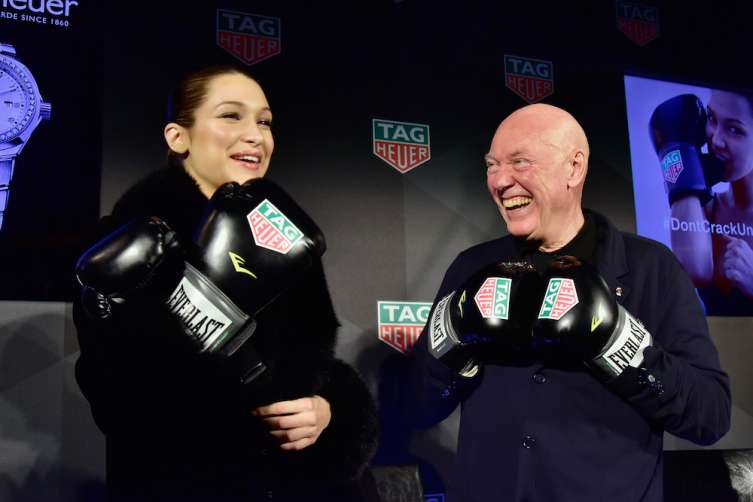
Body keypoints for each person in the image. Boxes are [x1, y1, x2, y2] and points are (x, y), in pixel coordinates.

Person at [73, 64, 378, 502]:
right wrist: (200, 308)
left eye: (265, 121)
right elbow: (120, 407)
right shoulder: (120, 245)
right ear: (179, 137)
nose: (256, 135)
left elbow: (316, 367)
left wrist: (330, 411)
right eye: (231, 115)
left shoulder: (283, 236)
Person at [409, 103, 731, 501]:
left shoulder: (652, 268)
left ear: (574, 168)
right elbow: (420, 407)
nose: (500, 180)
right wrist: (454, 338)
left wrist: (620, 344)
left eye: (519, 162)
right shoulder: (471, 268)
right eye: (492, 165)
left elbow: (709, 416)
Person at [655, 90, 753, 315]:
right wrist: (682, 159)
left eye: (734, 129)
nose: (715, 140)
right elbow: (695, 271)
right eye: (711, 118)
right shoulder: (703, 207)